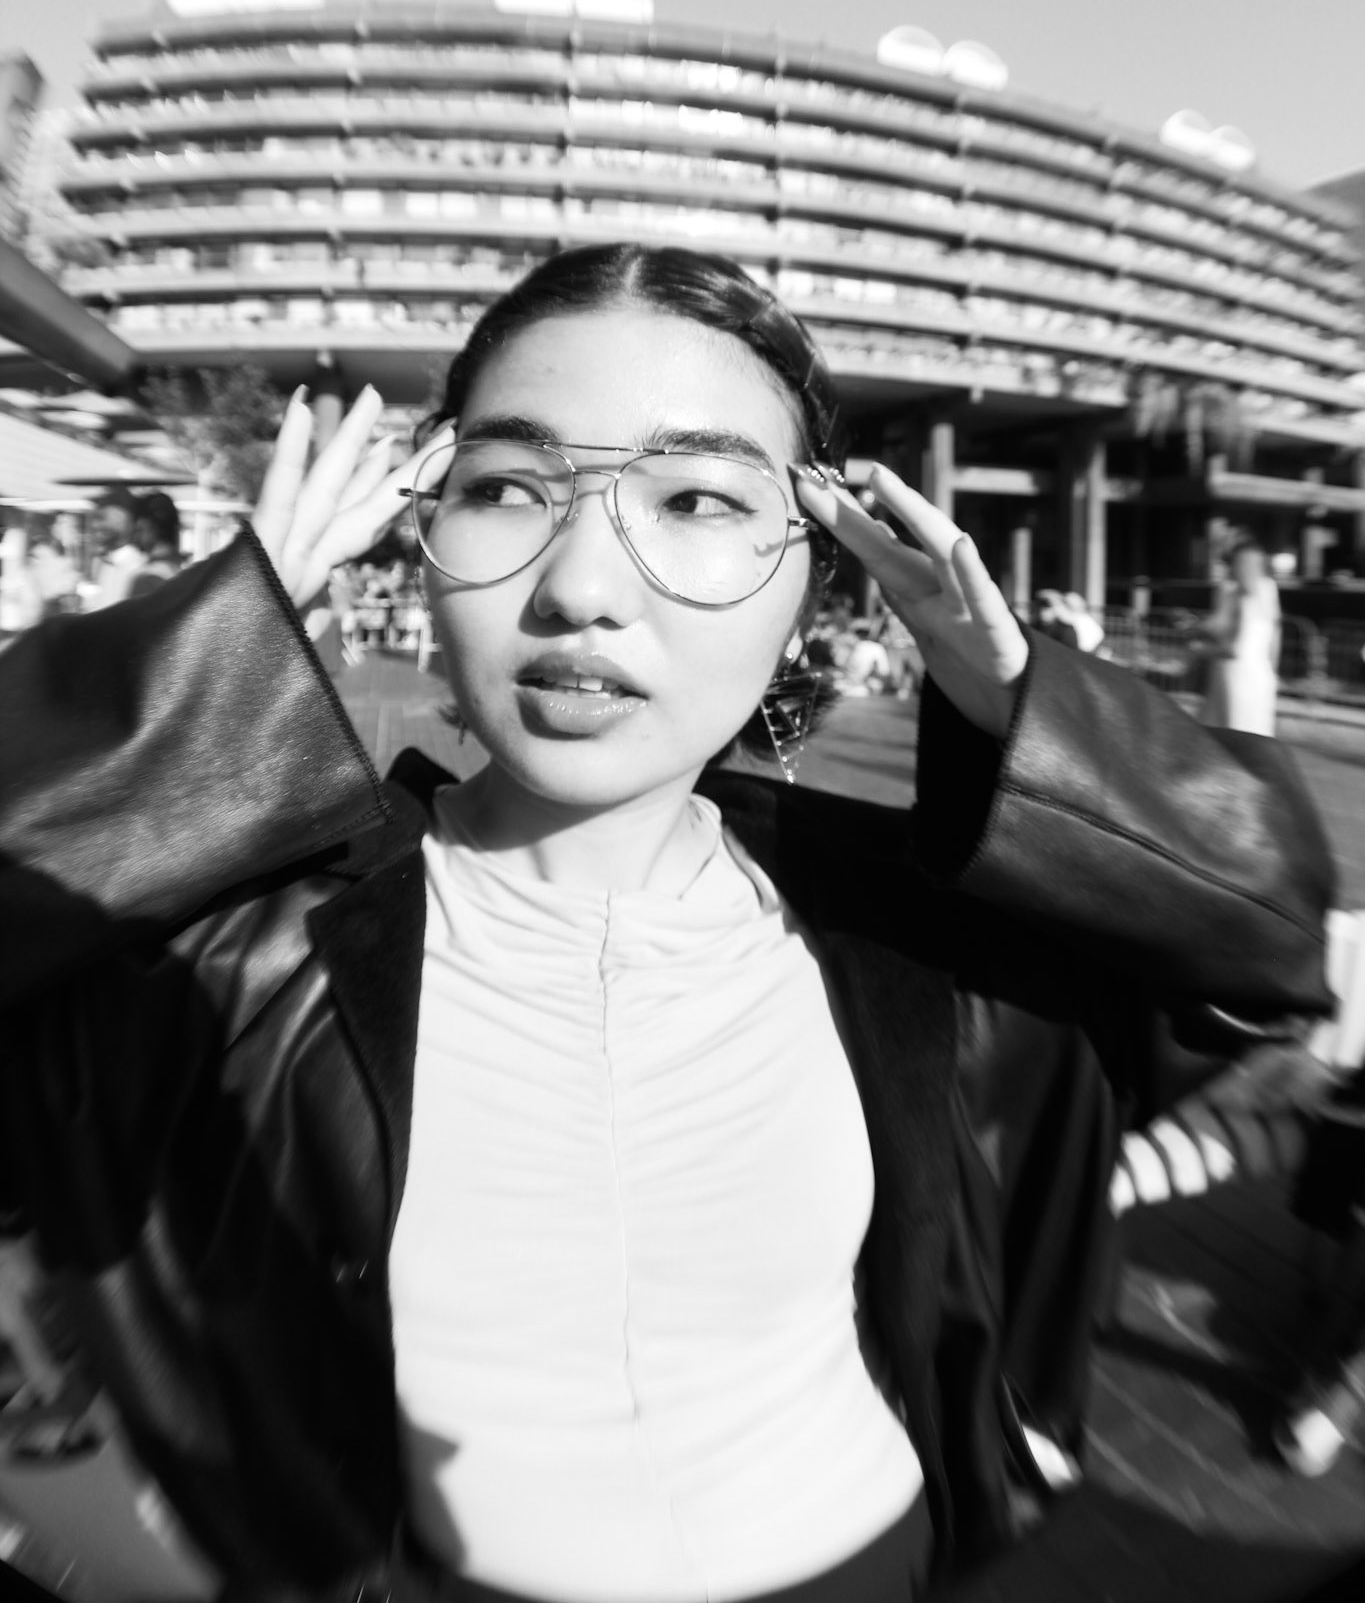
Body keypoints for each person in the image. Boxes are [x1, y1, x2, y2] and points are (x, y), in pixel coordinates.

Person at [0, 244, 1333, 1603]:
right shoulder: (233, 960)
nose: (582, 583)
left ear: (814, 579)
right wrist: (203, 651)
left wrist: (1020, 711)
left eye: (697, 497)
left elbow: (1264, 957)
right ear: (417, 527)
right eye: (507, 487)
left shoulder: (929, 940)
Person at [1201, 532, 1281, 735]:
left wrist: (1272, 669)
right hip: (1241, 668)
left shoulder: (1263, 588)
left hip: (1249, 669)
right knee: (1239, 727)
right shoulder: (1235, 590)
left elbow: (1272, 631)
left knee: (1243, 727)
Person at [80, 484, 146, 609]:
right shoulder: (101, 562)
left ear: (123, 519)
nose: (94, 525)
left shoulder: (140, 568)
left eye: (101, 518)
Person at [126, 489, 186, 597]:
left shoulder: (148, 579)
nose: (134, 537)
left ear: (151, 527)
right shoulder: (184, 571)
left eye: (138, 530)